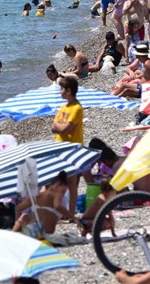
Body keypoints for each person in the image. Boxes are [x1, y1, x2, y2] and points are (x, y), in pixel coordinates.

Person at [51, 76, 83, 214]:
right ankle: (59, 210)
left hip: (72, 148)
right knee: (57, 181)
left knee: (71, 182)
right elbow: (53, 127)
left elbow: (63, 129)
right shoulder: (64, 106)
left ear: (69, 91)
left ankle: (70, 212)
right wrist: (59, 126)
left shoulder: (76, 108)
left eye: (62, 89)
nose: (60, 92)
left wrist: (59, 126)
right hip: (59, 147)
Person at [11, 170, 72, 241]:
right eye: (64, 191)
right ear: (57, 185)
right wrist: (74, 218)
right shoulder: (58, 194)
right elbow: (57, 206)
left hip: (32, 229)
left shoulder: (38, 196)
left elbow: (18, 208)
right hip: (45, 234)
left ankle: (12, 236)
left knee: (24, 216)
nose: (63, 193)